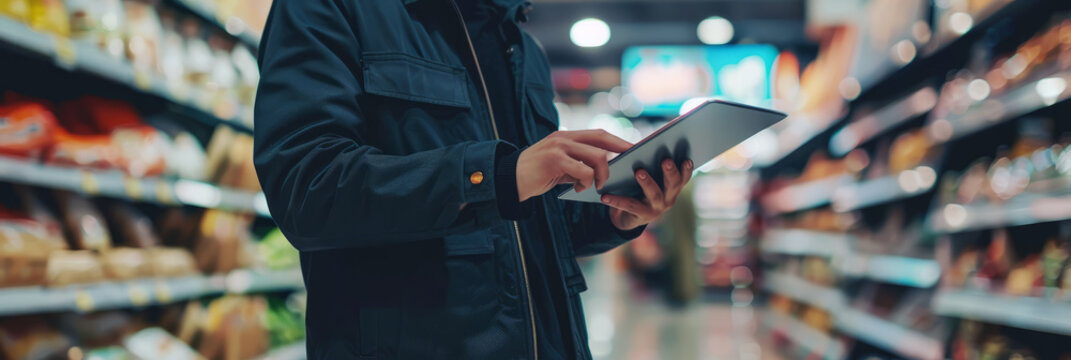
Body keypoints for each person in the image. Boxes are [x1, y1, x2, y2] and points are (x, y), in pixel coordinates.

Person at [253, 0, 693, 358]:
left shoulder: (521, 47)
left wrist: (619, 213)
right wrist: (493, 175)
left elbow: (530, 227)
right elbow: (306, 187)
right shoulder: (331, 8)